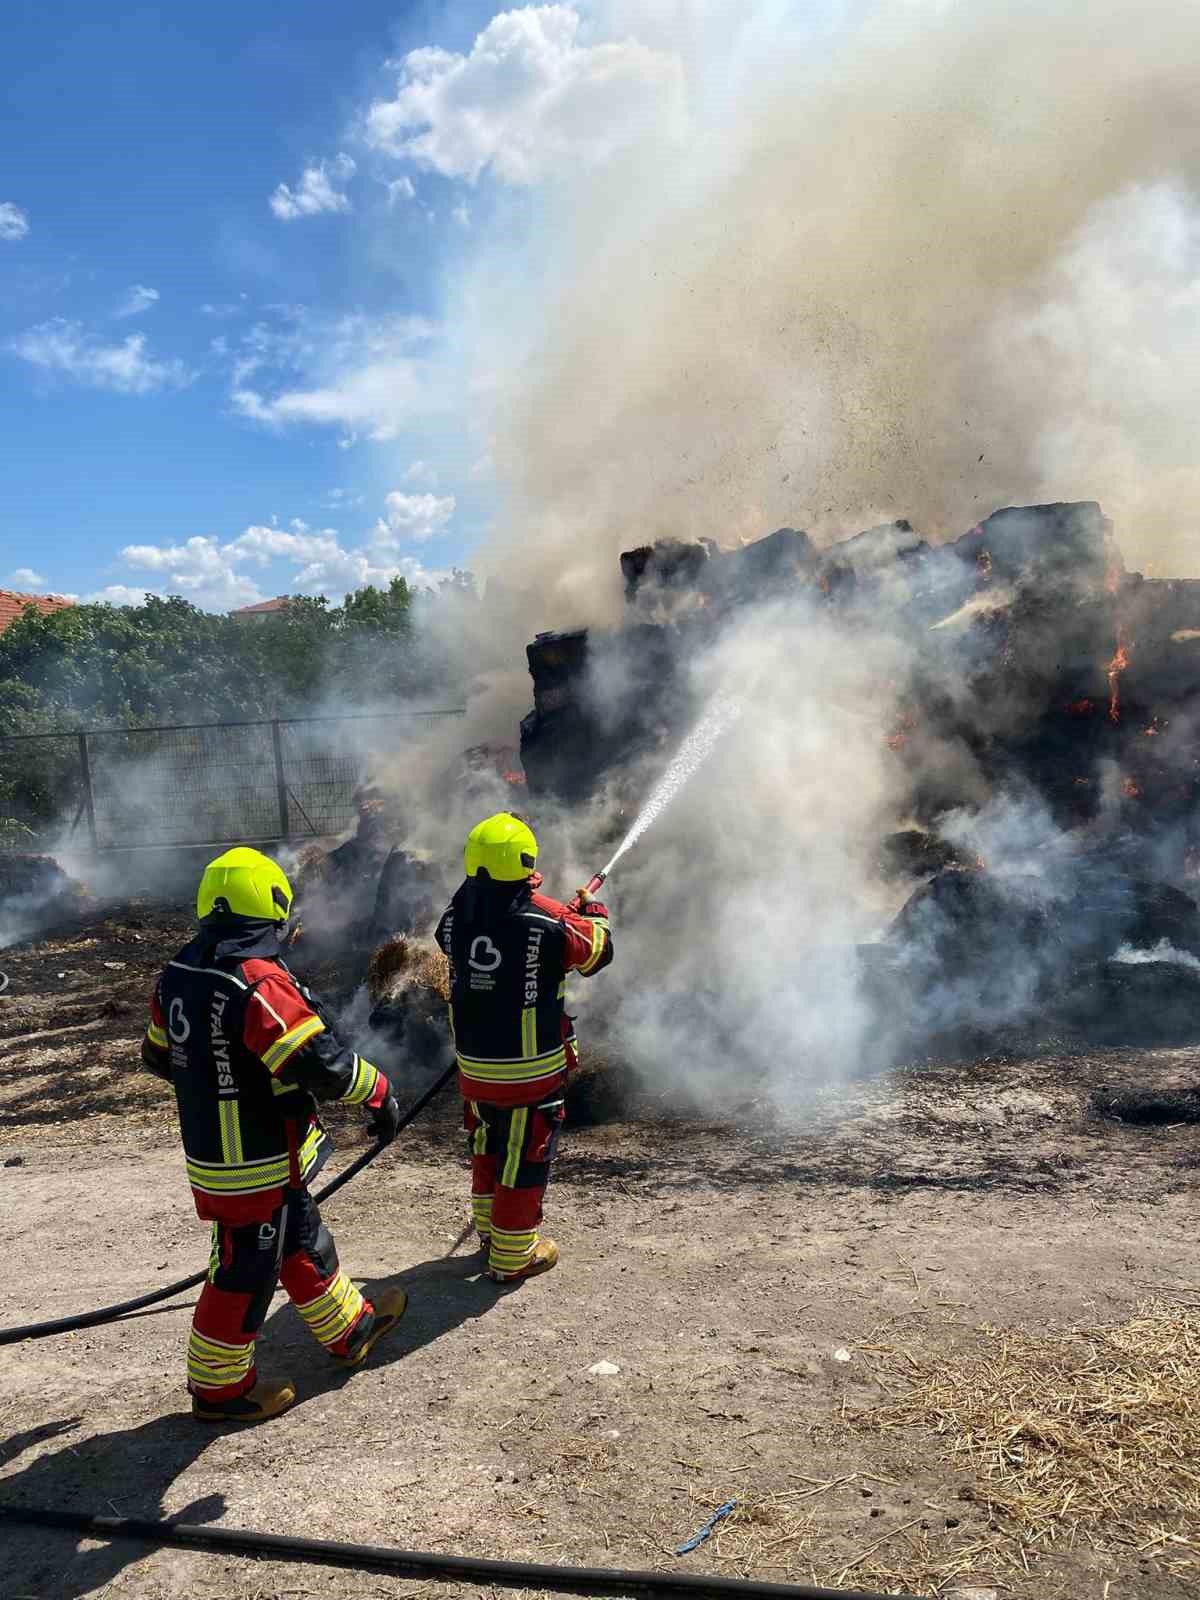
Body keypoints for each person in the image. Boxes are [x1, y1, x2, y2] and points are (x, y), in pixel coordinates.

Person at [141, 846, 406, 1423]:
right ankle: (219, 1392)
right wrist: (380, 1092)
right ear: (271, 904)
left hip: (225, 1153)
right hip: (254, 1157)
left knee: (301, 1238)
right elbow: (323, 1066)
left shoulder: (180, 971)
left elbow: (159, 1055)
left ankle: (351, 1330)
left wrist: (217, 1079)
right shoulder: (257, 982)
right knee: (244, 1272)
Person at [434, 813, 613, 1283]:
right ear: (525, 862)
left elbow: (470, 922)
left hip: (474, 1070)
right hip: (531, 1073)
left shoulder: (453, 920)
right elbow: (596, 953)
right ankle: (513, 1257)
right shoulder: (548, 919)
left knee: (486, 1146)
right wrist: (592, 911)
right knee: (525, 1157)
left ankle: (492, 1236)